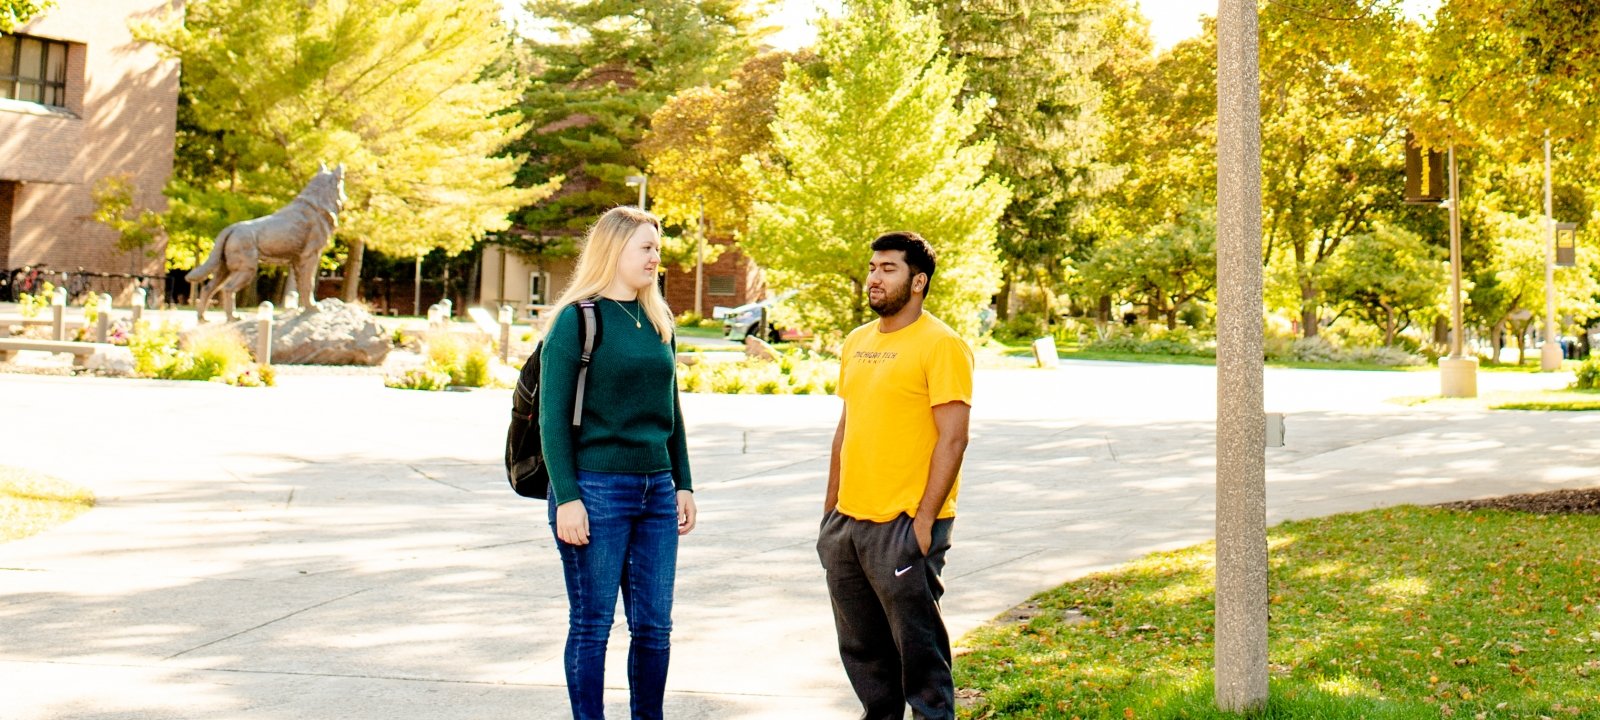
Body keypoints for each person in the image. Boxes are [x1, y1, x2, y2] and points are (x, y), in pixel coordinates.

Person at [539, 206, 697, 720]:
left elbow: (671, 408)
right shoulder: (577, 320)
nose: (656, 257)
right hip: (596, 489)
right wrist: (567, 497)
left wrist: (684, 484)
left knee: (655, 627)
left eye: (658, 248)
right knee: (592, 624)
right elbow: (551, 421)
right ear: (615, 250)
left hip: (657, 490)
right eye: (646, 248)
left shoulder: (658, 320)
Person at [817, 231, 974, 720]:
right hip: (849, 523)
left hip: (905, 523)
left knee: (918, 652)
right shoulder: (856, 341)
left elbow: (954, 438)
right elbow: (848, 426)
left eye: (888, 269)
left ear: (918, 281)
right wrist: (830, 512)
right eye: (872, 268)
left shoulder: (942, 345)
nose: (875, 278)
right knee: (862, 650)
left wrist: (925, 520)